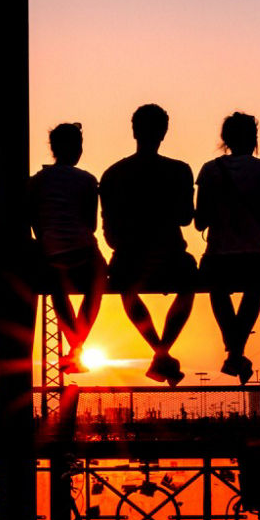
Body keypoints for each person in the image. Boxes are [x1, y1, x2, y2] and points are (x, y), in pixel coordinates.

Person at [99, 104, 196, 386]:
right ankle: (162, 352)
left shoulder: (113, 174)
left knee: (126, 289)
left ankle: (160, 352)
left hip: (129, 257)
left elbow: (109, 233)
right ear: (163, 133)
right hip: (171, 255)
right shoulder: (179, 171)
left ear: (134, 131)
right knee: (189, 282)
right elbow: (186, 217)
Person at [195, 112, 260, 384]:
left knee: (217, 289)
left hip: (219, 257)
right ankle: (235, 352)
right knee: (255, 289)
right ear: (254, 139)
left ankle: (235, 351)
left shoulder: (210, 170)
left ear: (225, 140)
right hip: (257, 257)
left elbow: (199, 223)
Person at [28, 122, 107, 374]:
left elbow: (35, 222)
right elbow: (91, 225)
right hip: (83, 249)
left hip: (50, 251)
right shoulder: (87, 180)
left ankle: (75, 348)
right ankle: (76, 348)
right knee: (98, 281)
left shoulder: (36, 181)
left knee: (57, 291)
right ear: (77, 148)